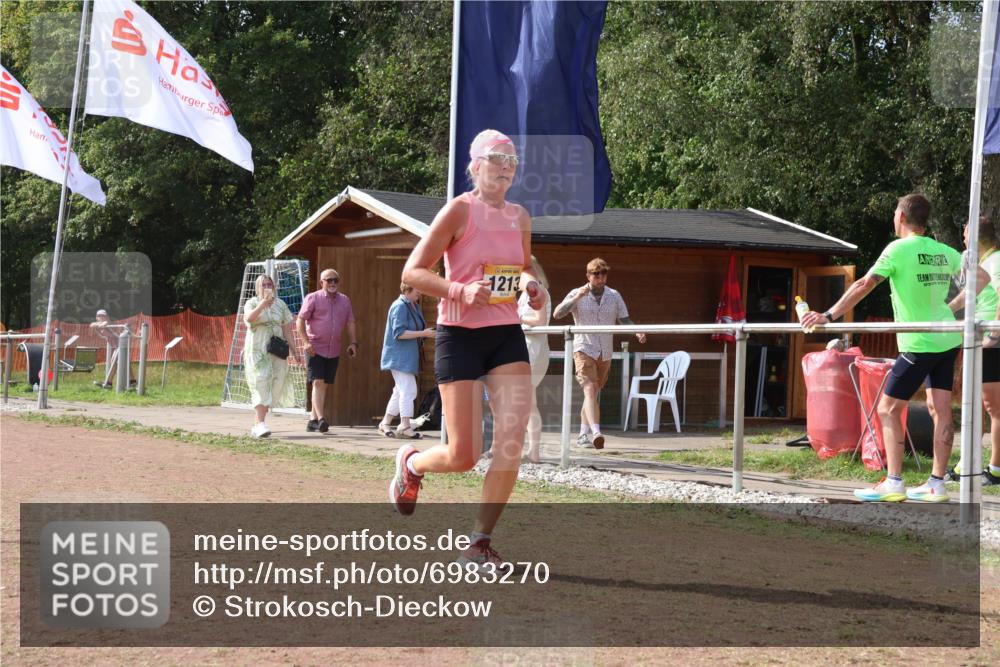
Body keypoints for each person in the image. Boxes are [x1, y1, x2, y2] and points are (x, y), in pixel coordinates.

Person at [391, 129, 546, 568]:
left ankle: (479, 543)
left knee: (511, 440)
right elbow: (414, 271)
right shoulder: (459, 210)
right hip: (459, 334)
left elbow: (520, 266)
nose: (504, 170)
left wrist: (529, 285)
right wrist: (459, 289)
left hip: (505, 334)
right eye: (496, 163)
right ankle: (414, 463)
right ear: (475, 166)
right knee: (463, 456)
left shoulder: (520, 216)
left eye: (510, 164)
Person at [801, 194, 989, 502]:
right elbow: (981, 278)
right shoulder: (943, 251)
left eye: (893, 213)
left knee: (888, 408)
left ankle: (894, 481)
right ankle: (936, 483)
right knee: (940, 410)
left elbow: (865, 284)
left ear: (901, 217)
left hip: (919, 343)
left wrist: (829, 315)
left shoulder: (898, 249)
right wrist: (951, 308)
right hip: (946, 339)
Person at [552, 258, 645, 449]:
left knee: (593, 393)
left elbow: (625, 319)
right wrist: (577, 297)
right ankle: (596, 432)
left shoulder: (614, 295)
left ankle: (582, 435)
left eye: (603, 274)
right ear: (588, 276)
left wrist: (637, 330)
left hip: (605, 350)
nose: (600, 278)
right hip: (583, 347)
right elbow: (557, 314)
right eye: (596, 274)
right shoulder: (577, 293)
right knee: (589, 389)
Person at [947, 216, 1000, 486]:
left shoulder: (996, 260)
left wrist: (995, 333)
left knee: (994, 407)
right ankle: (967, 464)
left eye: (966, 234)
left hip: (992, 340)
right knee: (974, 405)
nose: (964, 239)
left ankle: (995, 469)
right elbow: (966, 295)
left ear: (977, 237)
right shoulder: (980, 264)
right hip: (980, 338)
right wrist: (945, 313)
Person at [296, 268, 357, 433]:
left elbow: (350, 322)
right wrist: (305, 342)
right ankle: (321, 419)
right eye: (329, 280)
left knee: (323, 385)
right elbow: (300, 321)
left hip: (334, 349)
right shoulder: (312, 298)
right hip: (314, 347)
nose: (332, 283)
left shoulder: (345, 300)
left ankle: (312, 421)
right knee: (317, 382)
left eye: (335, 280)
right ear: (321, 282)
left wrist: (353, 343)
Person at [377, 283, 436, 439]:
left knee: (400, 391)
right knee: (409, 390)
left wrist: (426, 333)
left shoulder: (412, 306)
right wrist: (424, 333)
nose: (420, 292)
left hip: (406, 357)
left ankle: (385, 423)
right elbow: (399, 333)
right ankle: (404, 426)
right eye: (418, 289)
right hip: (398, 357)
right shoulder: (400, 306)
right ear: (408, 289)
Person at [242, 274, 296, 438]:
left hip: (277, 349)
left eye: (269, 284)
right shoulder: (252, 303)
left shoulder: (281, 304)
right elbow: (249, 320)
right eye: (263, 285)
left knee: (276, 385)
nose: (267, 287)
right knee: (261, 382)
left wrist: (295, 350)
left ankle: (258, 424)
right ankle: (260, 424)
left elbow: (287, 329)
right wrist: (263, 304)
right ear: (257, 288)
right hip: (258, 350)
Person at [518, 256, 551, 463]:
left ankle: (532, 452)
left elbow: (539, 320)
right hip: (535, 349)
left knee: (526, 403)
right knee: (529, 403)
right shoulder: (535, 290)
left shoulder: (537, 291)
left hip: (531, 349)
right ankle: (531, 451)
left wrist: (517, 318)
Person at [90, 309, 121, 388]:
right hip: (117, 346)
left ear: (107, 316)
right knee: (122, 364)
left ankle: (109, 383)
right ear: (97, 317)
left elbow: (104, 324)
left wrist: (99, 324)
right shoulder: (99, 323)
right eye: (99, 316)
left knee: (114, 363)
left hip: (122, 345)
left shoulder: (108, 322)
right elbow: (91, 325)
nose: (102, 317)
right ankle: (132, 381)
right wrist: (97, 324)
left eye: (103, 315)